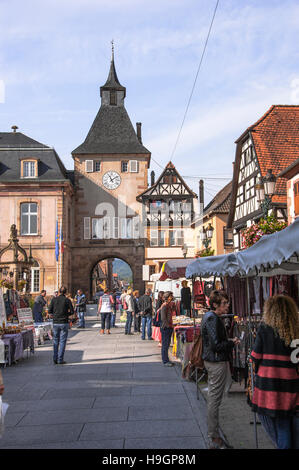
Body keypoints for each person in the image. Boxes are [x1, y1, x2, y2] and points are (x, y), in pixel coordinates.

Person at [250, 295, 299, 449]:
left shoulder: (265, 329)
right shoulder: (296, 329)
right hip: (293, 386)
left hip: (270, 387)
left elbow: (255, 357)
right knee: (293, 428)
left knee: (281, 426)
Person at [201, 290, 240, 449]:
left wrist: (229, 340)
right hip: (216, 362)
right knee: (214, 400)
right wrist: (232, 342)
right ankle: (214, 437)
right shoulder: (212, 318)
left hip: (214, 361)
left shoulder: (212, 317)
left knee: (214, 397)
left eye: (227, 302)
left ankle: (214, 436)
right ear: (215, 304)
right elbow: (216, 345)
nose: (227, 305)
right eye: (224, 303)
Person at [48, 286, 74, 365]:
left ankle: (55, 358)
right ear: (65, 292)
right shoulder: (67, 300)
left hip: (56, 322)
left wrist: (55, 314)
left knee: (55, 340)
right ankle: (60, 359)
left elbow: (49, 311)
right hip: (64, 322)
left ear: (59, 291)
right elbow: (72, 311)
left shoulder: (54, 299)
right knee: (62, 341)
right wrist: (66, 314)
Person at [160, 291, 175, 366]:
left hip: (168, 327)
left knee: (167, 344)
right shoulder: (165, 306)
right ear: (167, 297)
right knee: (165, 344)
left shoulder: (168, 305)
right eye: (170, 296)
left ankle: (166, 359)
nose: (172, 297)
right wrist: (168, 325)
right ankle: (165, 361)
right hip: (165, 328)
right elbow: (163, 318)